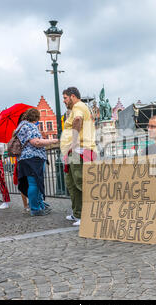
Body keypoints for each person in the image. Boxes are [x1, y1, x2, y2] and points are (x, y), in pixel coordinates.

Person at [60, 87, 97, 226]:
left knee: (80, 181)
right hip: (74, 152)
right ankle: (77, 213)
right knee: (71, 181)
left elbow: (77, 120)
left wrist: (74, 142)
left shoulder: (78, 106)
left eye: (65, 98)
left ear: (73, 96)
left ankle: (86, 215)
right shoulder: (77, 107)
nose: (64, 101)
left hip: (80, 150)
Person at [16, 108, 58, 216]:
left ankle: (39, 206)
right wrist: (52, 141)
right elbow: (36, 142)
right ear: (36, 118)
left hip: (24, 159)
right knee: (34, 183)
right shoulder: (30, 126)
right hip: (33, 158)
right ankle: (35, 209)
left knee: (33, 183)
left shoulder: (20, 126)